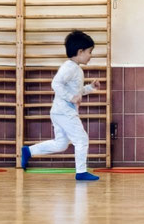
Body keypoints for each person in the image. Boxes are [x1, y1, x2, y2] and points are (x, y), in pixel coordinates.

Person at [21, 31, 101, 181]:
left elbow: (76, 92)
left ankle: (29, 151)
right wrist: (71, 98)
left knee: (61, 144)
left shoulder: (75, 68)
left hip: (59, 112)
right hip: (65, 112)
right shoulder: (70, 67)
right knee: (81, 139)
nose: (91, 55)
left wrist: (90, 88)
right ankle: (81, 172)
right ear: (80, 51)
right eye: (90, 52)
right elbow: (56, 84)